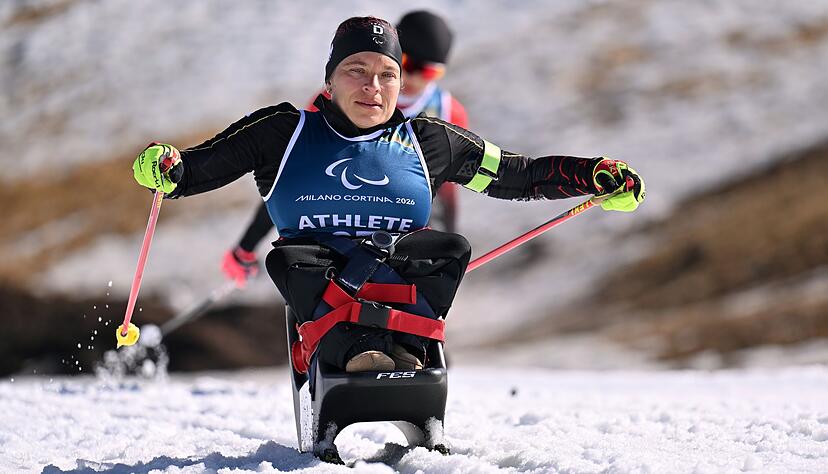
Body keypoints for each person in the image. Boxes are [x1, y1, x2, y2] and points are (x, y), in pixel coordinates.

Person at [133, 16, 645, 373]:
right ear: (330, 81)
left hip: (394, 278)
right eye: (356, 70)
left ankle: (399, 349)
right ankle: (360, 350)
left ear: (401, 85)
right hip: (319, 277)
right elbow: (195, 170)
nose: (372, 87)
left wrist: (593, 175)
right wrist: (165, 168)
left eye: (387, 75)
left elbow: (519, 174)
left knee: (450, 249)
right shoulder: (282, 131)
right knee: (289, 258)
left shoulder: (430, 140)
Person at [221, 10, 467, 289]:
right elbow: (292, 177)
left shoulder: (448, 112)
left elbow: (448, 193)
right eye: (408, 63)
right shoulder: (337, 100)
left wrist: (447, 261)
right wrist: (247, 246)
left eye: (428, 71)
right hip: (333, 247)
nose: (412, 77)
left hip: (399, 251)